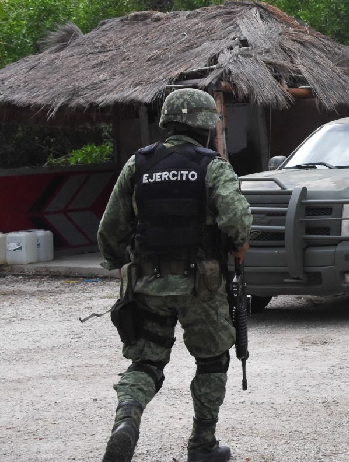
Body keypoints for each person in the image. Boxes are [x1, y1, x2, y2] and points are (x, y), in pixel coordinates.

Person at [97, 88, 252, 462]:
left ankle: (127, 421)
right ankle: (203, 444)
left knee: (146, 362)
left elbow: (110, 230)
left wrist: (121, 262)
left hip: (148, 283)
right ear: (203, 125)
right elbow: (239, 224)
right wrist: (237, 246)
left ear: (167, 122)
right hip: (202, 284)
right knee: (212, 360)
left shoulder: (138, 165)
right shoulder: (213, 166)